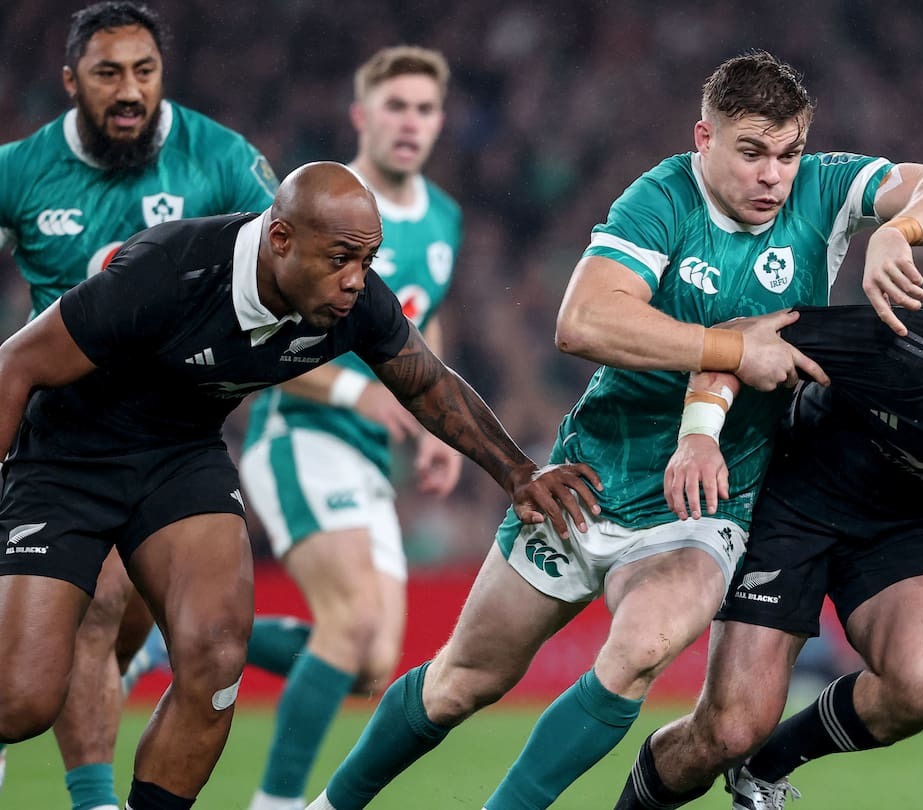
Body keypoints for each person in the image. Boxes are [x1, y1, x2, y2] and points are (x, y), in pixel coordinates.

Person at [308, 49, 923, 810]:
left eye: (789, 153)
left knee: (639, 651)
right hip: (592, 476)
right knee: (461, 682)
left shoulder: (825, 189)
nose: (773, 175)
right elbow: (582, 321)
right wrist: (733, 350)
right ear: (705, 139)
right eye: (752, 152)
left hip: (706, 500)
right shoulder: (662, 199)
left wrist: (903, 230)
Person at [0, 162, 600, 810]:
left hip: (180, 456)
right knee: (22, 701)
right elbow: (16, 363)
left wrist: (517, 471)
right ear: (280, 239)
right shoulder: (171, 269)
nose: (355, 281)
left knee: (217, 656)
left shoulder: (353, 301)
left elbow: (427, 382)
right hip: (67, 459)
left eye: (367, 261)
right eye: (341, 259)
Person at [614, 302, 923, 810]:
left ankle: (765, 768)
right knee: (729, 731)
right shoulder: (906, 345)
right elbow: (737, 336)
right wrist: (700, 435)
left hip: (909, 524)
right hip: (793, 496)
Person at [0, 3, 277, 807]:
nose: (129, 90)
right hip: (68, 437)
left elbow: (290, 259)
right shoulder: (21, 170)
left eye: (144, 72)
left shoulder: (221, 160)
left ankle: (134, 662)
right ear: (70, 81)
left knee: (140, 631)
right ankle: (94, 798)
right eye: (108, 73)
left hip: (177, 437)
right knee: (98, 607)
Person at [233, 46, 463, 810]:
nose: (410, 122)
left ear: (440, 121)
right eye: (396, 106)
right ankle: (275, 804)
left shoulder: (444, 218)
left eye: (424, 109)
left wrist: (438, 428)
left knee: (371, 663)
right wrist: (352, 392)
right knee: (352, 618)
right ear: (363, 116)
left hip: (368, 454)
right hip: (297, 429)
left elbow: (422, 326)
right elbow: (253, 338)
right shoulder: (316, 208)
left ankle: (190, 631)